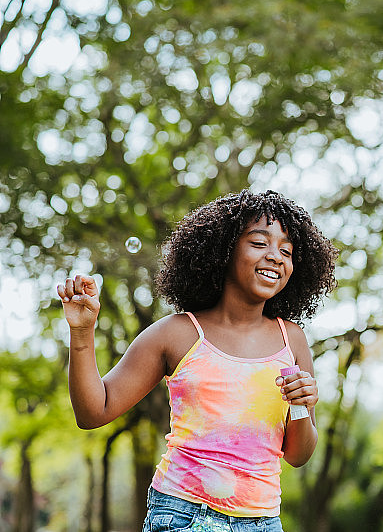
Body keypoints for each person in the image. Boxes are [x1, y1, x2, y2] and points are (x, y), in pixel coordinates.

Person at [57, 189, 338, 531]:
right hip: (182, 515)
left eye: (286, 251)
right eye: (259, 242)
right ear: (224, 250)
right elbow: (93, 412)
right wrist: (83, 335)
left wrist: (301, 406)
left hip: (263, 521)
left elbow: (298, 454)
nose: (276, 257)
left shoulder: (291, 339)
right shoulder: (177, 334)